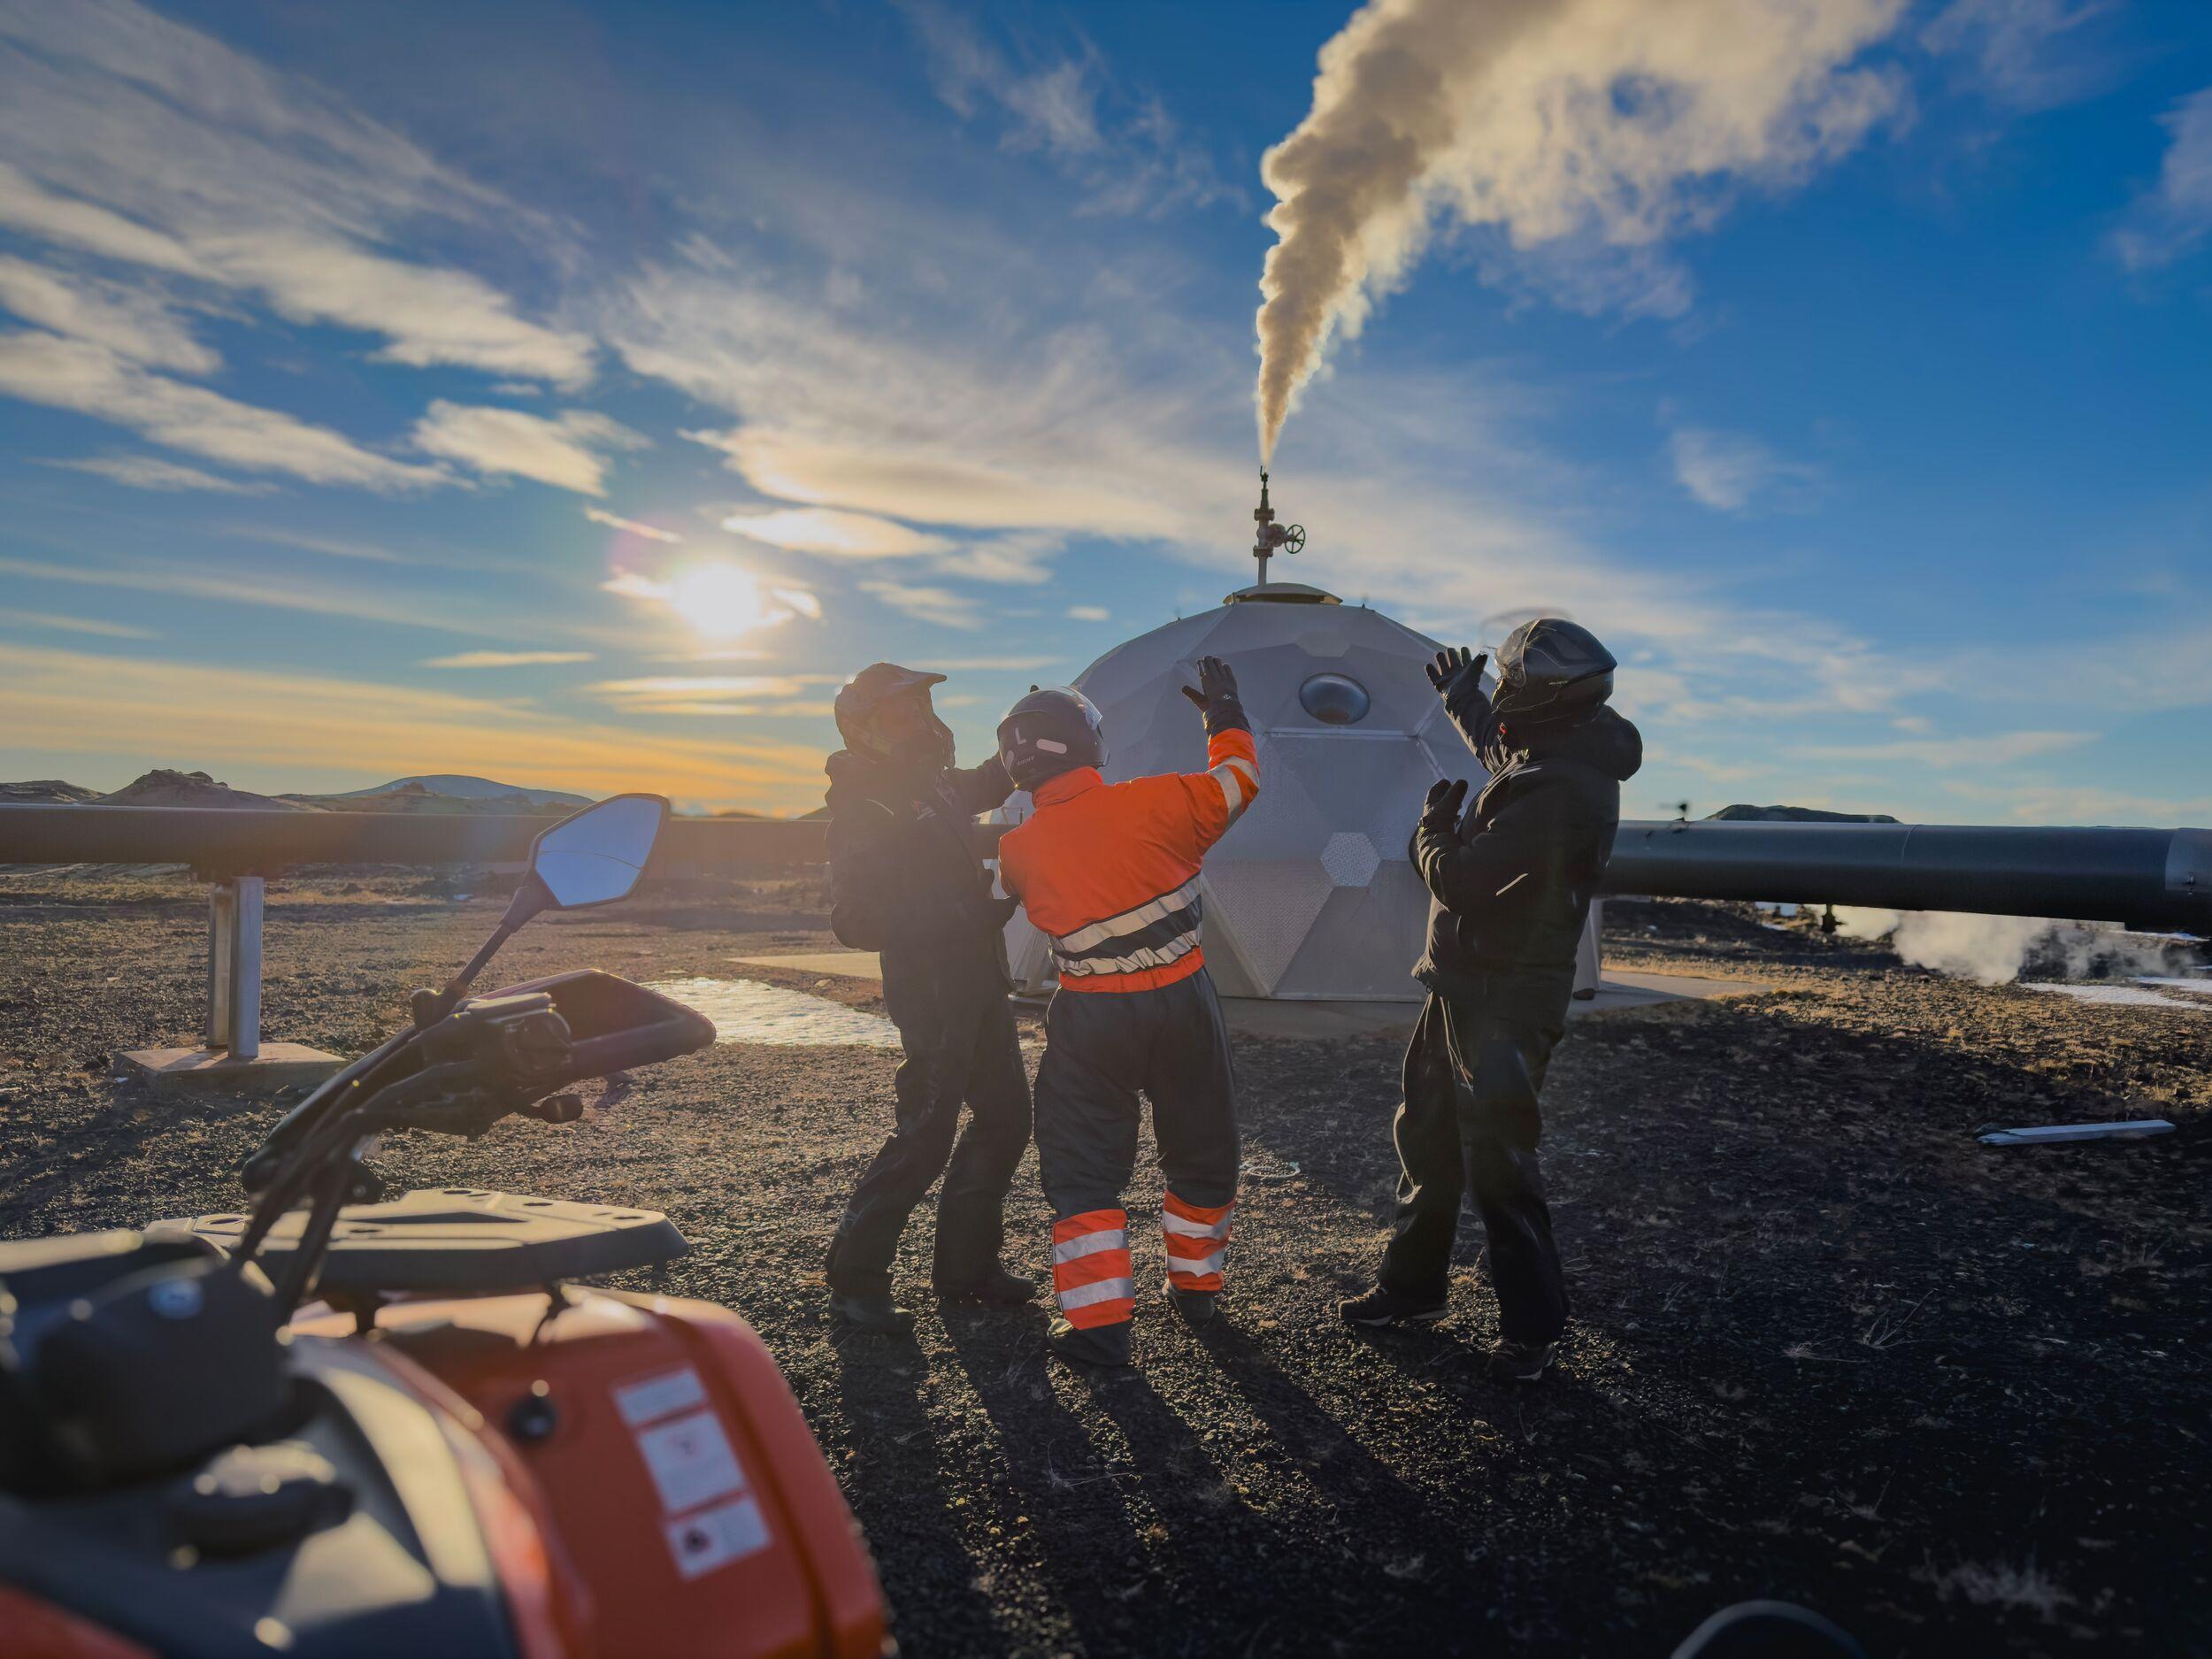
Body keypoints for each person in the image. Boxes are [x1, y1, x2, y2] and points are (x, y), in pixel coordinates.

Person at [1338, 619, 1641, 1382]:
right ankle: (1412, 1289)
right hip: (1462, 986)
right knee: (1429, 1137)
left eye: (1509, 684)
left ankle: (1532, 1330)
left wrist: (1428, 834)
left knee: (1499, 1163)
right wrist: (1462, 702)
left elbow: (1466, 879)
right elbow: (1509, 750)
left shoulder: (1563, 791)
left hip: (1505, 1002)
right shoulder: (1559, 752)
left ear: (1542, 697)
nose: (1504, 695)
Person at [994, 657, 1258, 1369]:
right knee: (1203, 1141)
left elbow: (990, 896)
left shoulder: (1015, 850)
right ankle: (1197, 1289)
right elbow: (1239, 784)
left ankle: (1100, 1325)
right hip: (1184, 999)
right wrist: (1224, 716)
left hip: (1091, 1014)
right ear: (1087, 742)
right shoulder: (1161, 800)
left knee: (1082, 1162)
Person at [821, 663, 1034, 1333]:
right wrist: (960, 914)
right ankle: (856, 1277)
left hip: (979, 979)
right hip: (932, 991)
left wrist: (1024, 736)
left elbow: (988, 780)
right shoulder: (866, 804)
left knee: (1006, 1118)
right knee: (925, 1136)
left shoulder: (934, 784)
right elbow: (854, 919)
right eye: (900, 711)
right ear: (865, 727)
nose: (918, 719)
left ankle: (966, 1269)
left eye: (920, 706)